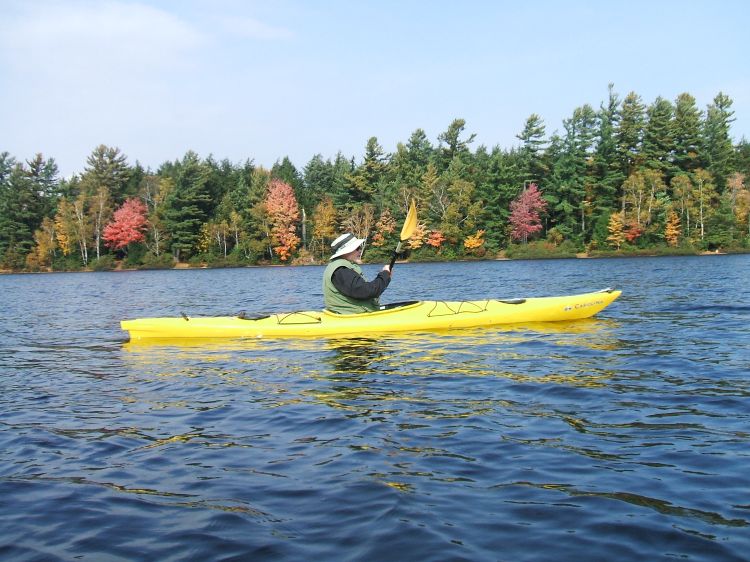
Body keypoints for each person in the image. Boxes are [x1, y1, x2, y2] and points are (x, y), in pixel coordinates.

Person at [322, 233, 392, 314]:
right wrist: (385, 275)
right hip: (350, 317)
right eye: (357, 248)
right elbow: (367, 291)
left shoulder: (341, 267)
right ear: (346, 251)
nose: (360, 251)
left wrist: (385, 275)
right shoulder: (341, 270)